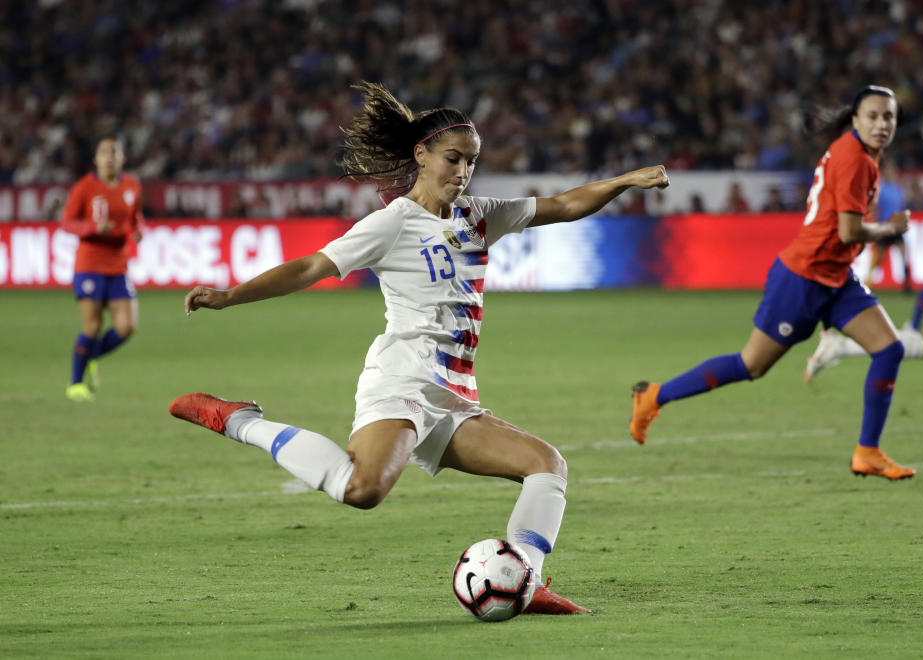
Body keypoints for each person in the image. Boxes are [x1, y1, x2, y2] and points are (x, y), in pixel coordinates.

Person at [169, 82, 669, 614]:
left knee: (546, 465)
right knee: (362, 489)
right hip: (402, 380)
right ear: (422, 154)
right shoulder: (392, 223)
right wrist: (230, 295)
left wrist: (628, 181)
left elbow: (566, 204)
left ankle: (525, 579)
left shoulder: (478, 215)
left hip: (453, 397)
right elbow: (312, 266)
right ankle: (240, 419)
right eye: (453, 159)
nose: (462, 172)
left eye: (471, 163)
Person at [630, 86, 915, 480]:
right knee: (752, 365)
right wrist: (890, 227)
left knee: (889, 350)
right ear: (855, 118)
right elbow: (849, 231)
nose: (882, 124)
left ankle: (867, 452)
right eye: (873, 115)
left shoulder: (859, 154)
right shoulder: (855, 159)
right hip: (803, 278)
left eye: (889, 117)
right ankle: (655, 396)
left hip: (836, 277)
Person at [806, 148, 923, 371]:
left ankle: (841, 347)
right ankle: (869, 294)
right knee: (879, 261)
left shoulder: (896, 189)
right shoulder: (884, 188)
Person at [60, 137, 144, 402]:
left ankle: (91, 356)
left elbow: (135, 217)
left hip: (118, 265)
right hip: (90, 265)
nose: (109, 157)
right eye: (104, 152)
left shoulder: (132, 185)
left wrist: (139, 230)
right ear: (96, 159)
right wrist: (93, 227)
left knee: (126, 326)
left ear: (122, 158)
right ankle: (75, 384)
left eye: (114, 152)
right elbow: (67, 223)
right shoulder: (84, 187)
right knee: (93, 325)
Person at [864, 159, 911, 290]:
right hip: (885, 226)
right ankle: (868, 282)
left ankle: (907, 283)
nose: (892, 173)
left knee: (904, 253)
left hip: (896, 226)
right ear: (885, 172)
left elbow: (901, 207)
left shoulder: (898, 189)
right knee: (879, 257)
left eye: (894, 171)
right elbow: (875, 206)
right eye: (890, 171)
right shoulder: (881, 188)